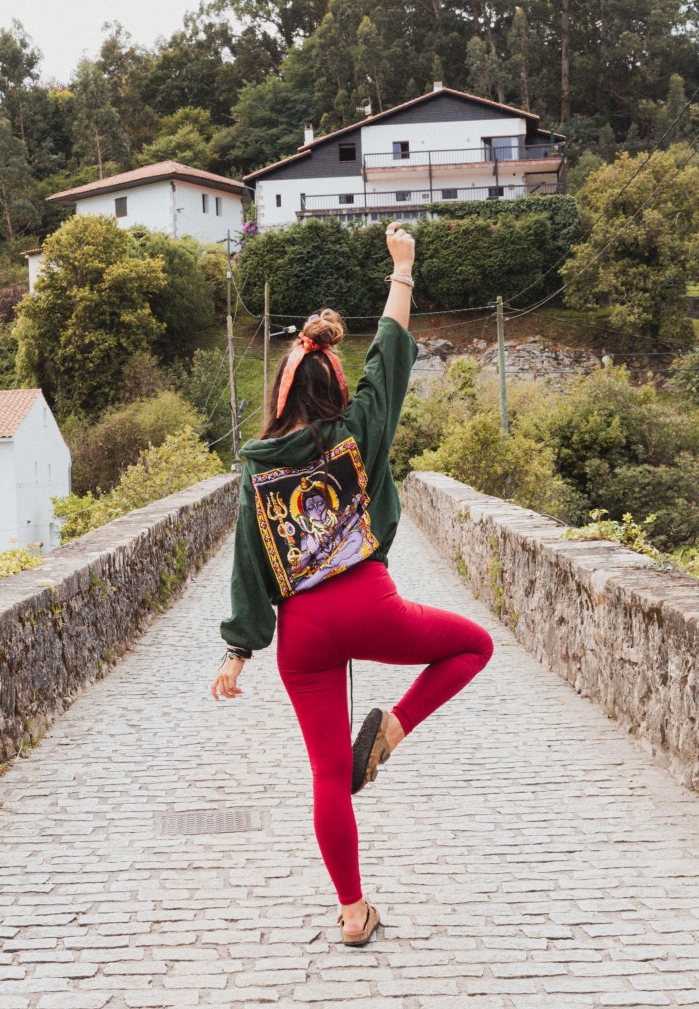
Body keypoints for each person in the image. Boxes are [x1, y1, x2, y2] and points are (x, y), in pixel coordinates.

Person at [214, 221, 494, 947]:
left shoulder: (255, 469)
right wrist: (402, 268)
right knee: (473, 647)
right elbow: (391, 355)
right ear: (332, 383)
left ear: (281, 391)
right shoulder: (357, 429)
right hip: (369, 602)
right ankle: (394, 729)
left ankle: (350, 912)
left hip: (301, 634)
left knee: (329, 775)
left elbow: (248, 556)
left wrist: (239, 649)